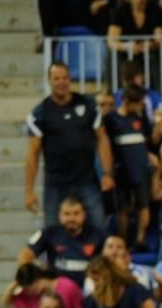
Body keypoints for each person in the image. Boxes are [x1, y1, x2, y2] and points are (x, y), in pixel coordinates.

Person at [25, 62, 112, 231]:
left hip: (87, 180)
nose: (61, 82)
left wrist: (107, 173)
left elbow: (102, 139)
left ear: (70, 79)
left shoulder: (89, 105)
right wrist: (29, 190)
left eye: (65, 78)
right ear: (49, 81)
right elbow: (33, 153)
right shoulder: (39, 113)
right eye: (56, 78)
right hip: (55, 184)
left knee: (98, 228)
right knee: (52, 232)